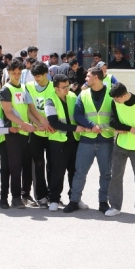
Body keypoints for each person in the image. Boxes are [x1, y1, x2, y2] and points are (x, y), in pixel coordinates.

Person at [64, 65, 114, 213]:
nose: (85, 79)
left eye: (88, 76)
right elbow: (77, 115)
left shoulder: (111, 94)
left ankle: (103, 202)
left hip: (106, 139)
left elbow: (116, 114)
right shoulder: (83, 94)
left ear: (96, 77)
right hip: (87, 140)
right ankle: (74, 201)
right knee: (80, 173)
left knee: (106, 174)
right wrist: (91, 125)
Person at [0, 58, 38, 208]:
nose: (16, 75)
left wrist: (38, 124)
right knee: (14, 167)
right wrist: (24, 124)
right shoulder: (6, 90)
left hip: (25, 133)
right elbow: (8, 113)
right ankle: (15, 198)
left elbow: (28, 110)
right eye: (13, 73)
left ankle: (25, 194)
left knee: (26, 166)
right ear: (8, 72)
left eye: (19, 73)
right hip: (13, 133)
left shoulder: (23, 87)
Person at [106, 82, 135, 218]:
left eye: (116, 98)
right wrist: (129, 128)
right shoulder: (115, 103)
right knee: (116, 176)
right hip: (120, 145)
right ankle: (115, 206)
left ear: (124, 95)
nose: (115, 101)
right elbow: (112, 122)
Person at [39, 74, 78, 210]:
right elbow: (54, 122)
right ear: (56, 88)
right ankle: (54, 199)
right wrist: (75, 128)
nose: (67, 89)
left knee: (74, 171)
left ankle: (75, 198)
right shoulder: (50, 100)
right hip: (58, 142)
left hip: (74, 140)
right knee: (58, 172)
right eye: (64, 87)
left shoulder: (73, 96)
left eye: (68, 86)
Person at [24, 62, 55, 207]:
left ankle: (52, 194)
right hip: (37, 130)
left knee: (52, 164)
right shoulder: (29, 87)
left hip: (52, 130)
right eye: (35, 76)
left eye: (40, 76)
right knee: (38, 164)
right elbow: (30, 110)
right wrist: (39, 125)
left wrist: (48, 124)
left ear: (46, 74)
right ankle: (40, 196)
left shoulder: (53, 87)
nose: (37, 79)